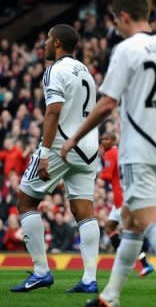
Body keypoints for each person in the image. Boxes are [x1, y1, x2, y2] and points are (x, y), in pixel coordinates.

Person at [61, 0, 156, 306]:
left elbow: (107, 103)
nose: (115, 25)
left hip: (137, 149)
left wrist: (74, 137)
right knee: (130, 222)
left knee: (146, 218)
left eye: (116, 19)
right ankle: (110, 296)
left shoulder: (126, 49)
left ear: (126, 17)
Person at [10, 24, 100, 294]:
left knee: (25, 201)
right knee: (84, 211)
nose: (45, 44)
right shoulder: (86, 73)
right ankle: (89, 279)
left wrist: (46, 153)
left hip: (63, 143)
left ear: (58, 42)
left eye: (48, 39)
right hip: (88, 147)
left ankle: (41, 272)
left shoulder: (55, 71)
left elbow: (53, 112)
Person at [100, 132, 154, 277]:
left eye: (106, 139)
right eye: (102, 139)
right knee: (110, 227)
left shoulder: (111, 153)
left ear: (113, 140)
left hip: (121, 199)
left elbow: (106, 175)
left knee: (129, 233)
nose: (103, 141)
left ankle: (137, 263)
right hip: (122, 197)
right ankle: (138, 263)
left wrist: (91, 171)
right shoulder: (119, 153)